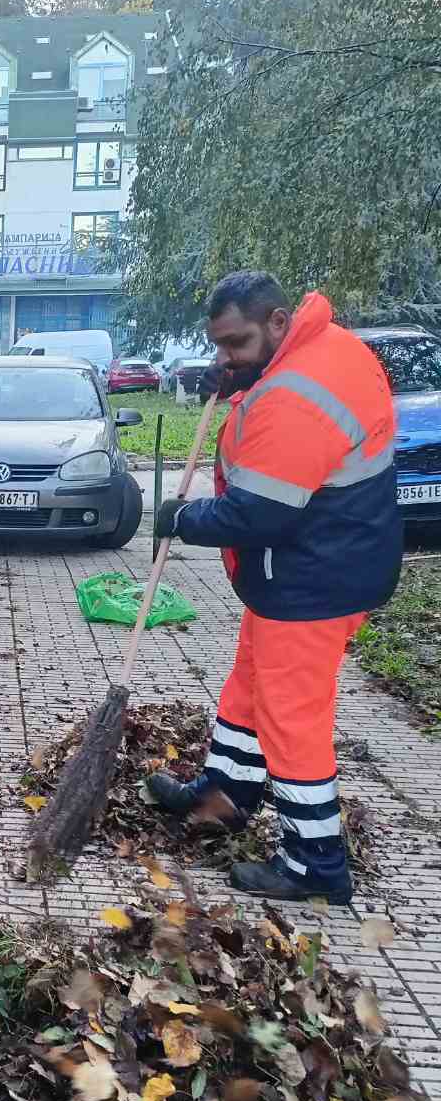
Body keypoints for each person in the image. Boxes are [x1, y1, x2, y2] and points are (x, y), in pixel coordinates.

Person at [150, 271, 402, 904]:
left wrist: (183, 519)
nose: (223, 358)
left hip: (318, 575)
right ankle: (227, 793)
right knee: (251, 683)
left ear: (279, 322)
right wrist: (241, 379)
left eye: (235, 344)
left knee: (292, 719)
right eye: (219, 346)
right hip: (309, 565)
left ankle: (315, 863)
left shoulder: (298, 392)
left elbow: (258, 514)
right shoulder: (319, 351)